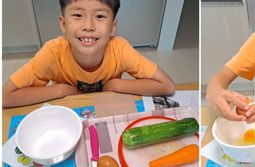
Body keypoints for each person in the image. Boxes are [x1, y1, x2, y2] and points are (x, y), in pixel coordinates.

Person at [3, 0, 175, 108]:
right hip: (66, 114)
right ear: (63, 24)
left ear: (112, 27)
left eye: (100, 16)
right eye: (78, 15)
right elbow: (5, 97)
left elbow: (167, 86)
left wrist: (115, 85)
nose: (88, 26)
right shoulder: (53, 52)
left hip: (106, 109)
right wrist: (61, 90)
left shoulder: (120, 49)